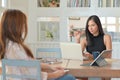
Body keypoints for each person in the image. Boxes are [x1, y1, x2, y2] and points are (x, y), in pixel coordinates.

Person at [0, 9, 76, 80]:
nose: (24, 27)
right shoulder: (16, 48)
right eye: (23, 24)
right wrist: (54, 75)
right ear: (16, 26)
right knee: (69, 77)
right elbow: (31, 74)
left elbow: (30, 64)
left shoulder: (7, 45)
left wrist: (50, 67)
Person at [75, 15, 112, 80]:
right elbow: (77, 54)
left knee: (107, 75)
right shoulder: (85, 39)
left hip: (102, 65)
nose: (90, 28)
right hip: (89, 66)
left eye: (93, 25)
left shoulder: (106, 37)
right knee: (78, 75)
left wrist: (92, 56)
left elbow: (108, 57)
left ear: (98, 25)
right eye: (88, 26)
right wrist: (77, 39)